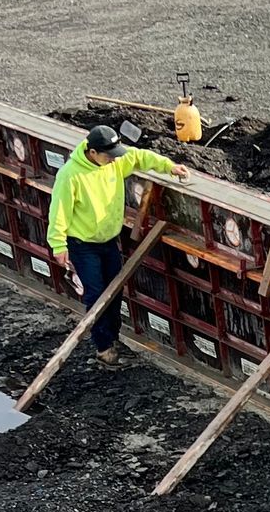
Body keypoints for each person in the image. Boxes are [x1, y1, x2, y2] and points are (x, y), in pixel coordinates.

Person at [46, 123, 179, 364]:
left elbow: (140, 157)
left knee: (114, 291)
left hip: (108, 241)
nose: (114, 159)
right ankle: (104, 347)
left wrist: (169, 166)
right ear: (92, 152)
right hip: (83, 244)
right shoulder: (70, 175)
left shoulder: (114, 162)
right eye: (109, 155)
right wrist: (58, 245)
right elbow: (59, 212)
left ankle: (113, 338)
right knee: (96, 295)